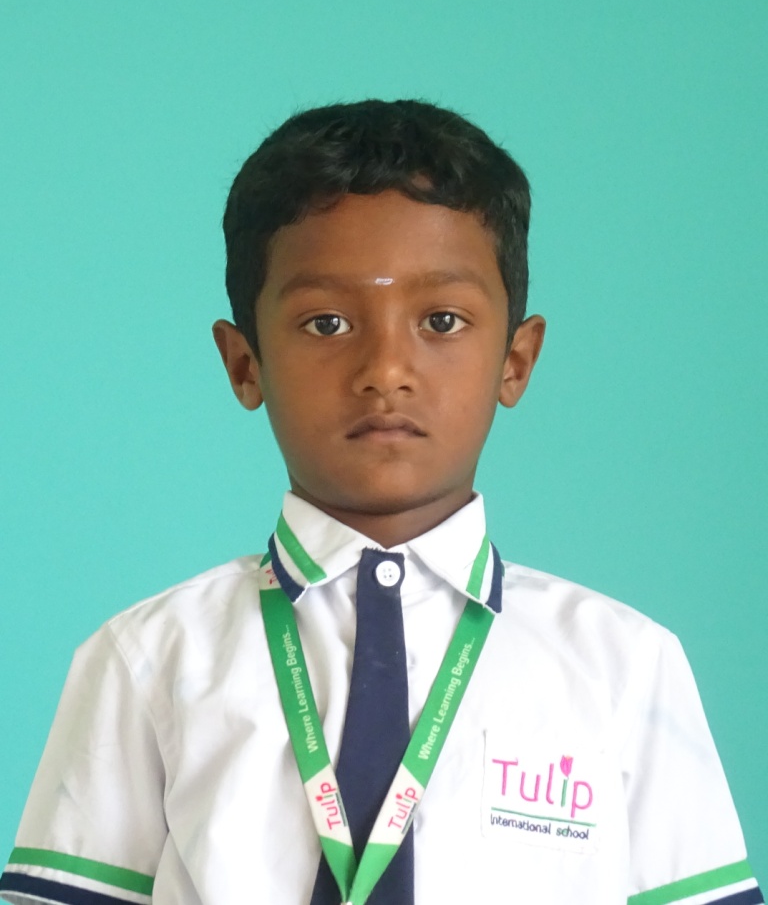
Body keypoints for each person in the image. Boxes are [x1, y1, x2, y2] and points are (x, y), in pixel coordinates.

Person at [0, 100, 762, 905]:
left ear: (516, 360)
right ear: (244, 364)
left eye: (442, 320)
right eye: (326, 322)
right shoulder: (147, 660)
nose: (385, 370)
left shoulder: (625, 667)